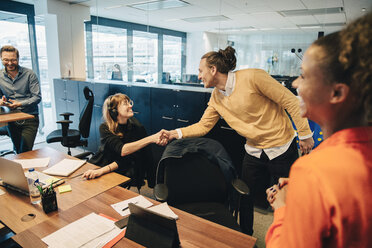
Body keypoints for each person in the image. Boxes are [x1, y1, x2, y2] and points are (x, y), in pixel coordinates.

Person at [163, 46, 314, 235]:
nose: (199, 76)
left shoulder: (253, 77)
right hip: (254, 150)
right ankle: (245, 236)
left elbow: (291, 101)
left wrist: (305, 134)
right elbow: (203, 126)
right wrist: (174, 133)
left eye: (201, 71)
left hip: (282, 147)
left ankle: (291, 238)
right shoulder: (216, 97)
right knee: (245, 196)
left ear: (213, 70)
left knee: (289, 198)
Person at [266, 13, 372, 247]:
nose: (295, 84)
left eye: (303, 76)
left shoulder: (314, 170)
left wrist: (283, 208)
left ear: (337, 93)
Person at [83, 93, 167, 189]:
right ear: (114, 111)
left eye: (129, 102)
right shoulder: (105, 128)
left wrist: (153, 183)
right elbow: (123, 150)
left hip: (120, 168)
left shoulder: (137, 127)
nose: (130, 106)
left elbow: (129, 158)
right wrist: (151, 138)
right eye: (125, 104)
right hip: (102, 164)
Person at [0, 45, 41, 153]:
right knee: (18, 150)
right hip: (11, 119)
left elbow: (37, 97)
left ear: (18, 59)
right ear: (1, 59)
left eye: (13, 59)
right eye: (6, 60)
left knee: (25, 151)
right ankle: (20, 170)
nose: (9, 63)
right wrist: (1, 101)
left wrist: (19, 104)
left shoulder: (29, 74)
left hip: (30, 118)